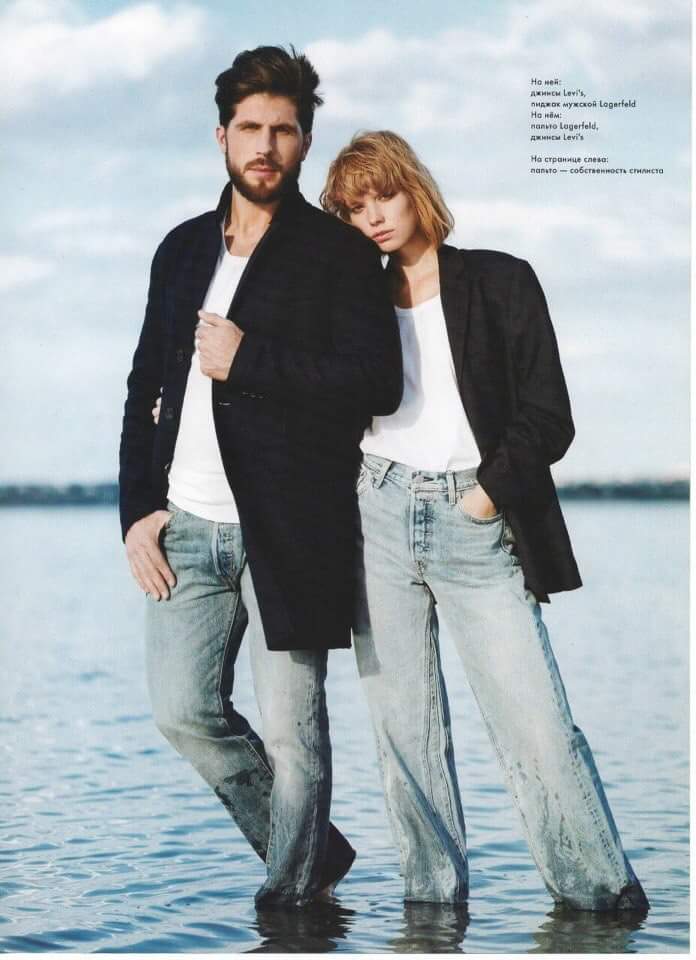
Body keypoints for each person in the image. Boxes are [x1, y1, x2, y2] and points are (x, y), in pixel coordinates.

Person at [319, 130, 649, 912]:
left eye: (384, 196)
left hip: (475, 516)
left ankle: (602, 906)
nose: (374, 217)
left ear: (415, 189)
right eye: (356, 208)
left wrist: (485, 497)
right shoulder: (349, 302)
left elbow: (549, 416)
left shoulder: (499, 281)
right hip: (375, 514)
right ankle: (432, 915)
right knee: (406, 736)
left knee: (538, 726)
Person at [118, 50, 402, 908]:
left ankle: (292, 906)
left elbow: (375, 382)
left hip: (289, 526)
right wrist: (138, 510)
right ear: (222, 136)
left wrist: (251, 361)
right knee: (182, 712)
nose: (265, 145)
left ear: (305, 141)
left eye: (283, 130)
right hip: (187, 526)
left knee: (293, 733)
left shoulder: (338, 254)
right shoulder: (181, 250)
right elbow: (144, 386)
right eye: (250, 128)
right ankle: (312, 856)